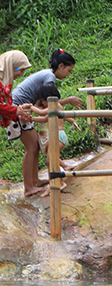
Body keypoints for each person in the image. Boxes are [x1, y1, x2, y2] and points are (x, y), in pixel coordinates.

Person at [10, 50, 84, 198]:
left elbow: (48, 105)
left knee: (35, 146)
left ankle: (35, 180)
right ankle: (29, 187)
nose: (68, 74)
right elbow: (51, 104)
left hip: (21, 107)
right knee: (31, 147)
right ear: (61, 66)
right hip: (18, 108)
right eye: (68, 70)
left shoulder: (46, 74)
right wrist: (68, 100)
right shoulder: (49, 77)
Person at [28, 84, 78, 190]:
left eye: (42, 101)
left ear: (47, 98)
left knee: (52, 160)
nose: (42, 103)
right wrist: (32, 119)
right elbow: (44, 118)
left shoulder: (55, 105)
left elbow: (41, 112)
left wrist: (30, 106)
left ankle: (59, 182)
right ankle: (54, 183)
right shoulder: (54, 107)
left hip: (57, 136)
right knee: (49, 161)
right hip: (55, 136)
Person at [0, 51, 33, 149]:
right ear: (12, 66)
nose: (21, 74)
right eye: (21, 70)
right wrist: (16, 111)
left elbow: (3, 106)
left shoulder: (4, 84)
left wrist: (19, 113)